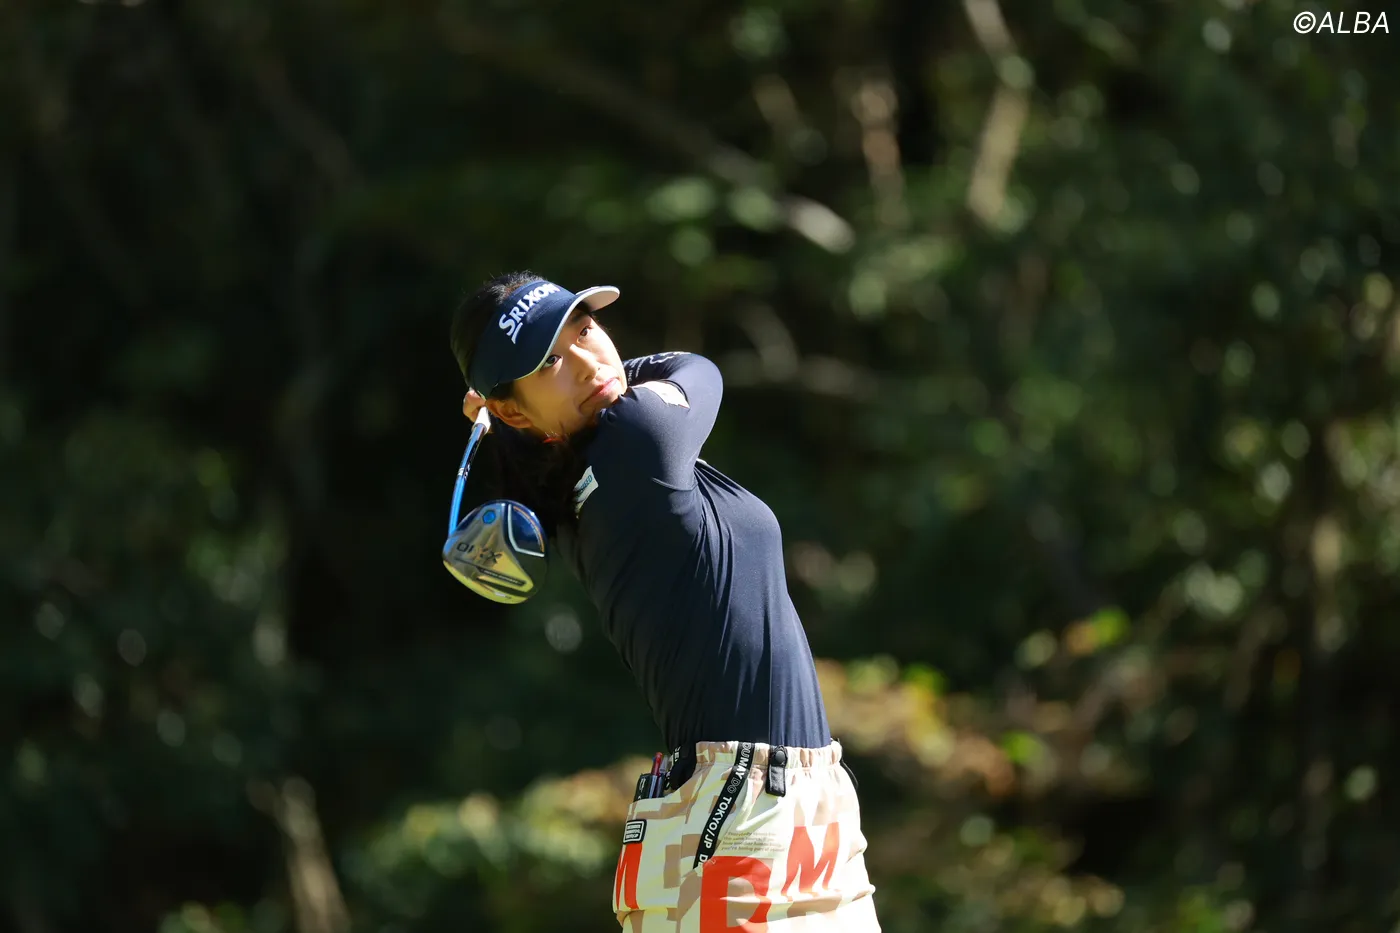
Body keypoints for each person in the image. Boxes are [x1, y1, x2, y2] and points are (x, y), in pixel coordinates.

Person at [450, 272, 881, 931]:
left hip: (793, 812)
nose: (588, 361)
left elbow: (567, 419)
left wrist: (513, 417)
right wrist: (548, 402)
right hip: (739, 822)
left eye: (585, 330)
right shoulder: (638, 437)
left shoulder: (572, 480)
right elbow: (696, 368)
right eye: (550, 362)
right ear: (511, 412)